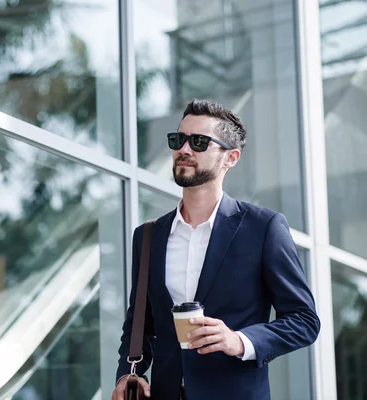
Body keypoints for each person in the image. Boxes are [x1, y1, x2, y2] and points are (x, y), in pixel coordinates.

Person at [112, 99, 320, 400]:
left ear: (230, 158)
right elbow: (139, 323)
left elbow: (304, 319)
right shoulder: (147, 237)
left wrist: (240, 340)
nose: (184, 149)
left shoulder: (264, 228)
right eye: (178, 140)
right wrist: (128, 373)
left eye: (198, 142)